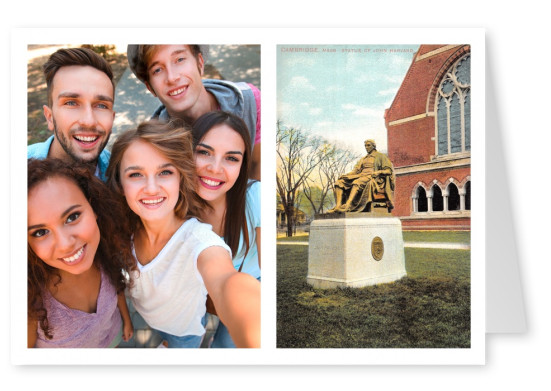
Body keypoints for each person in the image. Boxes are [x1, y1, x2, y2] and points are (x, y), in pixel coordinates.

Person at [105, 120, 260, 348]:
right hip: (153, 321)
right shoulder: (122, 229)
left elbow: (226, 281)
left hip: (185, 333)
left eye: (165, 172)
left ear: (181, 177)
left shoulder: (199, 241)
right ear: (120, 182)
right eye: (136, 174)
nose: (151, 188)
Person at [27, 158, 135, 348]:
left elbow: (117, 288)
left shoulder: (103, 252)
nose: (65, 244)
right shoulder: (29, 302)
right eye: (40, 232)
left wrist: (126, 318)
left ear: (93, 208)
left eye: (73, 217)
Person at [126, 44, 261, 180]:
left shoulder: (249, 102)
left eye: (179, 60)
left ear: (200, 63)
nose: (172, 78)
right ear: (150, 88)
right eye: (157, 70)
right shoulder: (154, 144)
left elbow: (258, 166)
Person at [191, 111, 261, 348]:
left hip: (248, 289)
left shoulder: (255, 196)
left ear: (242, 165)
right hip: (195, 293)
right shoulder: (172, 201)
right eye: (204, 152)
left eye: (231, 158)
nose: (215, 168)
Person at [27, 47, 116, 181]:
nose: (89, 121)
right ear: (49, 117)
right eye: (71, 103)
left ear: (112, 118)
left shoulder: (121, 175)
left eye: (102, 105)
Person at [329, 139, 395, 213]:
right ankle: (338, 206)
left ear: (374, 146)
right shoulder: (363, 159)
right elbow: (356, 170)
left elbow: (388, 171)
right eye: (365, 146)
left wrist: (378, 172)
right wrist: (347, 175)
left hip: (372, 177)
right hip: (360, 175)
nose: (366, 147)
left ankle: (348, 205)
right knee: (340, 182)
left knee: (357, 182)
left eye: (368, 145)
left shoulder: (380, 156)